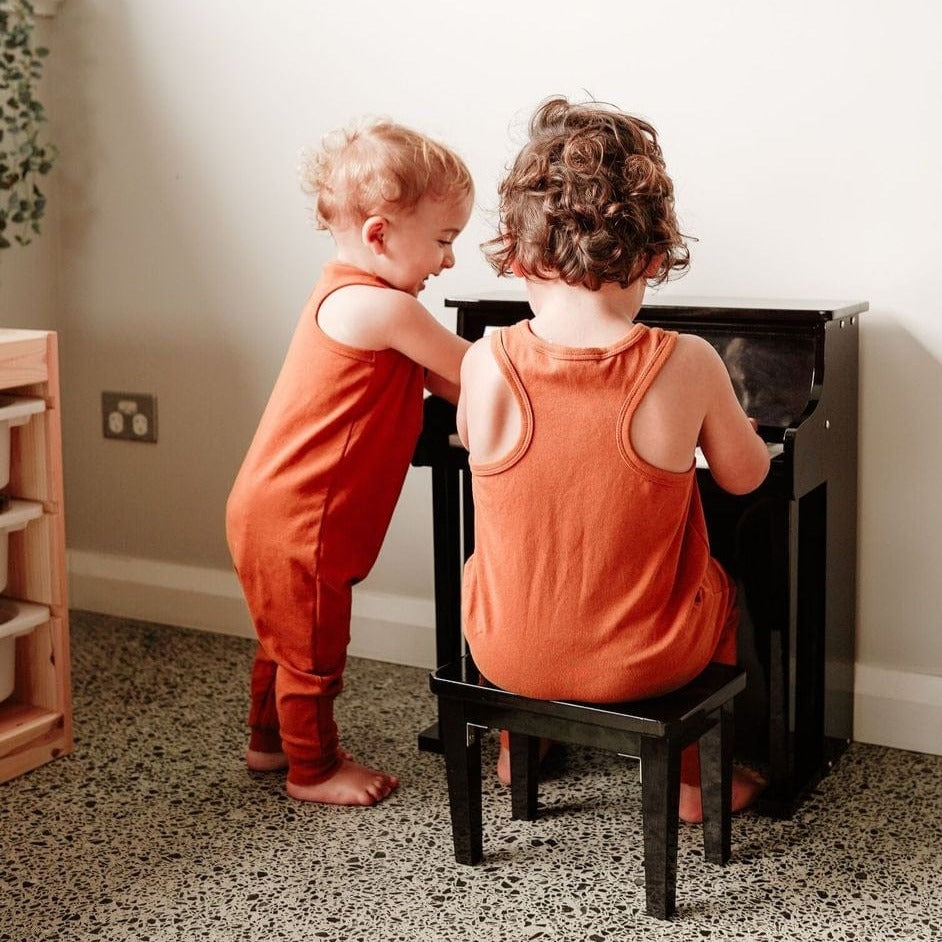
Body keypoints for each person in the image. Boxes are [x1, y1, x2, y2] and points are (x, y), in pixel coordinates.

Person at [457, 96, 769, 822]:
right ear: (656, 257)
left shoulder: (484, 360)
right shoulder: (687, 362)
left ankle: (517, 744)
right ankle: (693, 785)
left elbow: (477, 445)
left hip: (502, 652)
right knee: (718, 583)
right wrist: (730, 429)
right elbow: (744, 476)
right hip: (651, 660)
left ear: (513, 251)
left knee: (492, 563)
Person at [226, 117, 473, 806]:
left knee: (282, 638)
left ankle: (267, 743)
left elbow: (444, 382)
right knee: (310, 651)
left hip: (278, 507)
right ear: (379, 234)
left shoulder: (359, 299)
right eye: (444, 241)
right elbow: (472, 371)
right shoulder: (382, 310)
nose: (449, 261)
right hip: (301, 518)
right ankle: (314, 769)